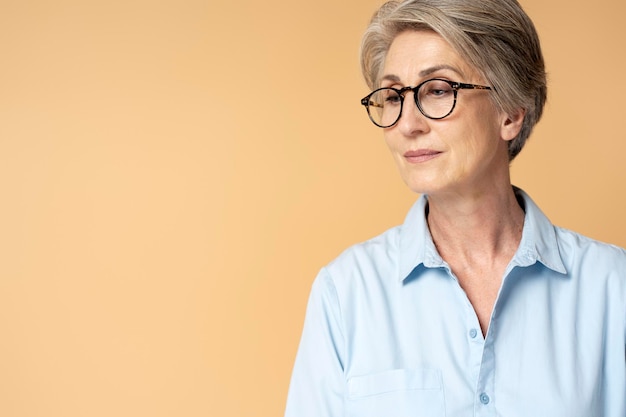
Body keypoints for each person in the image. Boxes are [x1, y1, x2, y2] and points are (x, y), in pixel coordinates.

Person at [284, 0, 626, 416]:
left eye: (438, 90)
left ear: (511, 112)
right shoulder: (346, 293)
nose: (408, 124)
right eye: (392, 97)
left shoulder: (612, 288)